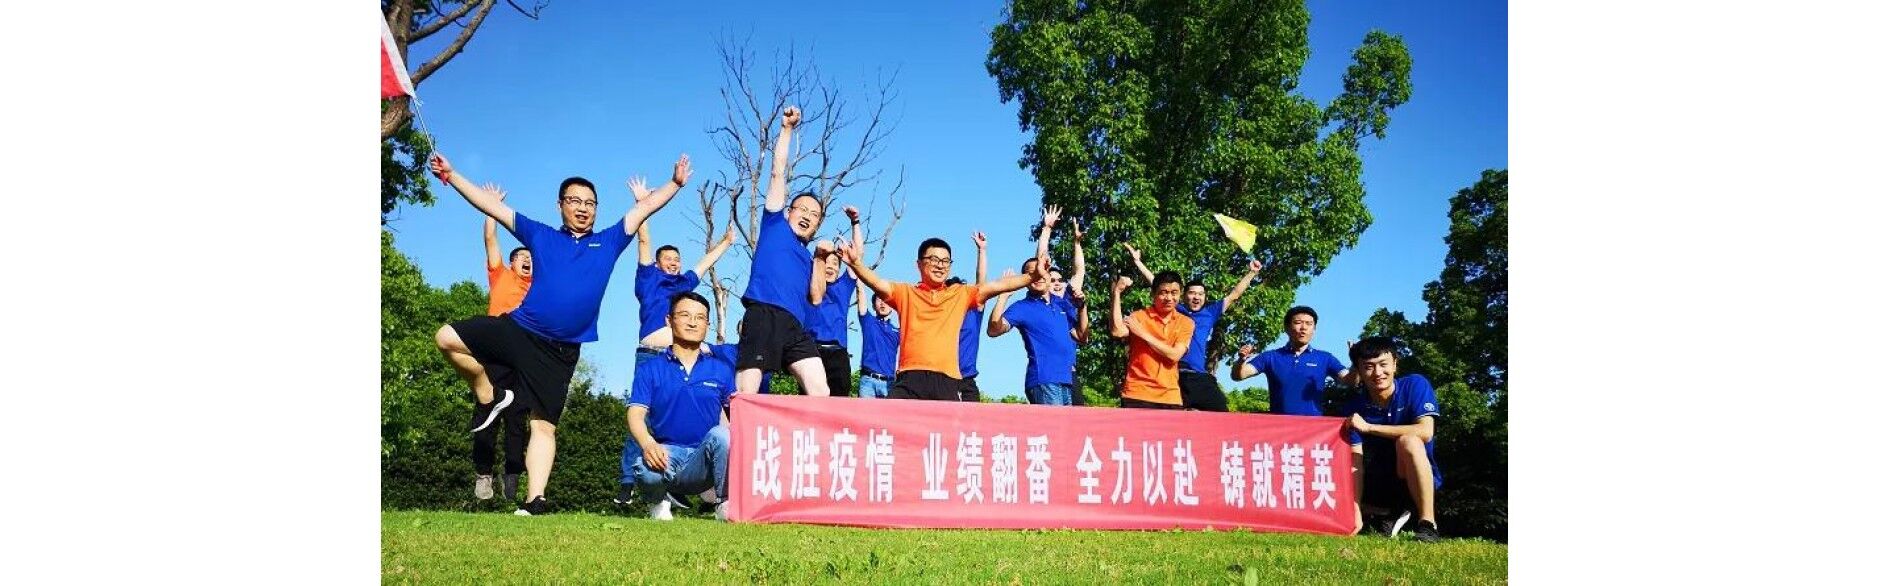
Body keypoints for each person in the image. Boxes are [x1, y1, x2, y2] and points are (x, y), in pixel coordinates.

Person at [429, 150, 690, 516]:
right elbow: (491, 207)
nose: (582, 208)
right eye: (574, 201)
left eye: (589, 203)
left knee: (543, 425)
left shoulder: (609, 241)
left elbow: (643, 209)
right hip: (519, 329)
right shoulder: (540, 235)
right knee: (446, 337)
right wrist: (452, 175)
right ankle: (490, 393)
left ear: (596, 209)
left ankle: (534, 500)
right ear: (560, 205)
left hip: (560, 351)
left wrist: (675, 184)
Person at [836, 235, 1045, 401]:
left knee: (949, 438)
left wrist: (1032, 276)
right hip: (909, 378)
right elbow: (877, 283)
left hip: (948, 380)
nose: (940, 265)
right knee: (892, 430)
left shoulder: (960, 293)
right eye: (934, 260)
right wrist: (856, 264)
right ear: (919, 264)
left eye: (946, 261)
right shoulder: (905, 293)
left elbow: (996, 285)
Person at [734, 106, 833, 397]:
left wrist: (820, 258)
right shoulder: (775, 224)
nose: (807, 216)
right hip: (763, 312)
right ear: (789, 211)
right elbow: (778, 172)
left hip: (795, 326)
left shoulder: (809, 256)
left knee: (820, 390)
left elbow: (817, 296)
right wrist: (787, 129)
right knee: (748, 390)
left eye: (814, 215)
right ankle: (740, 425)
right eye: (802, 209)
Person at [621, 292, 737, 522]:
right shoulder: (650, 369)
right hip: (666, 457)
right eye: (685, 315)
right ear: (669, 320)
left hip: (705, 461)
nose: (693, 322)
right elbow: (635, 414)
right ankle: (658, 503)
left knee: (721, 434)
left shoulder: (721, 370)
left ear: (707, 325)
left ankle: (724, 503)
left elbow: (739, 415)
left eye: (700, 318)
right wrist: (648, 444)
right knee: (643, 466)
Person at [1123, 243, 1263, 411]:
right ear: (1183, 296)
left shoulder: (1210, 313)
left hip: (1198, 375)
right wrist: (1138, 262)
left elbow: (1234, 295)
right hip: (1175, 375)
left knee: (1221, 411)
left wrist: (1252, 273)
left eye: (1200, 294)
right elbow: (1157, 283)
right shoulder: (1176, 308)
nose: (1196, 297)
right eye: (1192, 293)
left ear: (1205, 297)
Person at [1342, 336, 1443, 542]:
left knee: (1409, 441)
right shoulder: (1353, 408)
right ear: (1358, 371)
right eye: (1368, 367)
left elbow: (1426, 431)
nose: (1378, 373)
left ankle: (1427, 524)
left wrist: (1369, 427)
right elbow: (1355, 462)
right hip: (1377, 485)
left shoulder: (1415, 385)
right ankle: (1384, 513)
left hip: (1415, 477)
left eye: (1383, 364)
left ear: (1395, 364)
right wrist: (1354, 511)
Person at [987, 207, 1090, 405]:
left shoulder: (1061, 302)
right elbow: (993, 330)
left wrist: (1082, 306)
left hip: (1067, 380)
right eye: (1031, 274)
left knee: (1070, 426)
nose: (1038, 275)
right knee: (1055, 425)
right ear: (1025, 280)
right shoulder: (1023, 307)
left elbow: (1082, 336)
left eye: (1042, 272)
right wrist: (1003, 296)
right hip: (1044, 381)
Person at [628, 176, 737, 363]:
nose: (673, 263)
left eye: (677, 260)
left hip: (681, 355)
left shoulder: (683, 284)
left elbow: (704, 263)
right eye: (668, 259)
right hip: (652, 352)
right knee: (709, 351)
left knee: (716, 357)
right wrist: (642, 204)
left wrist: (726, 242)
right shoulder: (649, 278)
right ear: (657, 264)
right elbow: (644, 241)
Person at [472, 183, 533, 504]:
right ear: (512, 262)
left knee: (517, 420)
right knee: (487, 410)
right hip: (495, 351)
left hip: (523, 355)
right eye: (522, 256)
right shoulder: (501, 274)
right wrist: (491, 207)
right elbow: (490, 239)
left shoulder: (537, 288)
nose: (528, 260)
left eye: (531, 257)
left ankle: (512, 476)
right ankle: (483, 474)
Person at [1231, 306, 1358, 416]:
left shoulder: (1325, 358)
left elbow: (1351, 381)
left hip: (1314, 429)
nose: (1303, 328)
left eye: (1309, 324)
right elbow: (1239, 375)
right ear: (1286, 327)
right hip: (1279, 427)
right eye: (1298, 323)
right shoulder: (1270, 357)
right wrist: (1241, 361)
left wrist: (1355, 361)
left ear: (1314, 329)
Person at [805, 206, 867, 397]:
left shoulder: (843, 286)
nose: (830, 267)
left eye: (835, 264)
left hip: (838, 353)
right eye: (827, 262)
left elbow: (857, 256)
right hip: (812, 353)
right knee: (810, 402)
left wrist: (855, 222)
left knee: (839, 401)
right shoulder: (808, 287)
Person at [1109, 271, 1193, 409]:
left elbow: (1174, 355)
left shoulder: (1186, 322)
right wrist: (1116, 293)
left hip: (1170, 397)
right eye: (1163, 293)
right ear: (1153, 294)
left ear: (1180, 294)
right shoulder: (1139, 317)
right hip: (1137, 394)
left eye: (1174, 293)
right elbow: (1117, 331)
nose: (1169, 298)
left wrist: (1142, 334)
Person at [950, 231, 990, 402]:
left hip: (967, 380)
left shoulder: (973, 312)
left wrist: (982, 250)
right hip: (944, 378)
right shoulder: (941, 315)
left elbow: (980, 285)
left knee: (973, 418)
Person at [854, 287, 898, 399]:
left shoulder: (897, 332)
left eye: (886, 300)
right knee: (865, 411)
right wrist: (859, 281)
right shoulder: (868, 321)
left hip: (888, 383)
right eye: (879, 300)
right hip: (867, 382)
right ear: (873, 306)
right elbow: (861, 295)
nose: (883, 303)